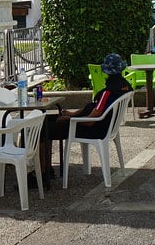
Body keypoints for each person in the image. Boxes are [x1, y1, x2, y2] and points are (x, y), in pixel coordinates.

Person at [41, 54, 132, 187]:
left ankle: (43, 174)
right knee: (47, 120)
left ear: (106, 71)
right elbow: (92, 107)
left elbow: (91, 119)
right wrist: (72, 114)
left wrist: (70, 118)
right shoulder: (125, 86)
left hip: (92, 129)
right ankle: (46, 170)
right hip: (107, 126)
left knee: (43, 129)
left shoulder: (107, 93)